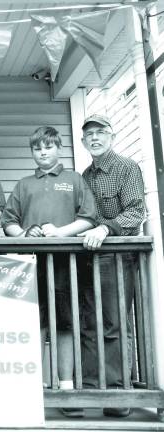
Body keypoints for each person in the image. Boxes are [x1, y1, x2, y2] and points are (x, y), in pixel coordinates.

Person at [1, 126, 96, 418]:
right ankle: (33, 387)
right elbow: (9, 222)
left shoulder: (74, 180)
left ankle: (66, 388)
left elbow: (89, 218)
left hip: (66, 263)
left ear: (59, 149)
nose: (42, 152)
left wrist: (61, 233)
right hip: (32, 262)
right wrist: (24, 234)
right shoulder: (24, 184)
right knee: (34, 324)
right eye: (37, 148)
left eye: (48, 147)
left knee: (65, 324)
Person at [77, 114, 145, 418]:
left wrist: (106, 229)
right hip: (87, 256)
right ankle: (93, 388)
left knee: (115, 323)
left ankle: (118, 392)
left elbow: (136, 213)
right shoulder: (84, 175)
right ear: (82, 141)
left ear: (111, 136)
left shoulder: (126, 168)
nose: (95, 138)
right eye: (89, 134)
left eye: (100, 132)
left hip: (115, 256)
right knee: (89, 324)